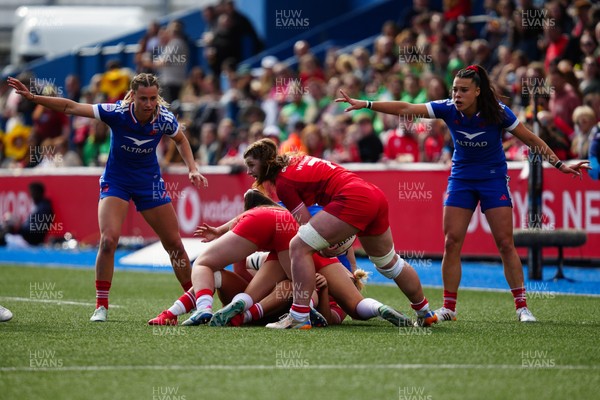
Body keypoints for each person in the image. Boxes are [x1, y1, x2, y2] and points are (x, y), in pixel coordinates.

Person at [336, 64, 590, 323]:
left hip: (493, 180)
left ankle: (522, 307)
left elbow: (531, 140)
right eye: (455, 89)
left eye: (464, 90)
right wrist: (366, 103)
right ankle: (449, 308)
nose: (457, 94)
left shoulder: (499, 113)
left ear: (478, 91)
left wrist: (560, 165)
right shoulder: (447, 108)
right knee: (451, 242)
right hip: (461, 179)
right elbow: (405, 109)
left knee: (505, 243)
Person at [7, 73, 208, 322]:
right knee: (108, 240)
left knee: (175, 245)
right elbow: (71, 107)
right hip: (117, 182)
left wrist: (193, 168)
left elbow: (181, 139)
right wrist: (33, 97)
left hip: (149, 185)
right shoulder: (116, 113)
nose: (149, 103)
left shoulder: (163, 118)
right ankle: (101, 305)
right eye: (143, 98)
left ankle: (196, 301)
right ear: (132, 96)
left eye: (153, 98)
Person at [242, 139, 437, 330]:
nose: (249, 171)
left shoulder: (284, 183)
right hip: (373, 195)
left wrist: (326, 247)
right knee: (389, 264)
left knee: (298, 246)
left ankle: (299, 317)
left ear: (266, 163)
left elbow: (305, 225)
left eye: (252, 165)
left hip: (353, 198)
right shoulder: (295, 160)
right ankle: (425, 312)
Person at [180, 189, 411, 329]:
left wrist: (222, 232)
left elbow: (251, 214)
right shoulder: (322, 215)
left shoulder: (297, 208)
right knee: (356, 306)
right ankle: (379, 308)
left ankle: (243, 310)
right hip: (324, 265)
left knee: (286, 285)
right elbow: (348, 258)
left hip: (295, 255)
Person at [0, 182, 54, 248]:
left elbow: (37, 230)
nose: (31, 194)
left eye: (34, 192)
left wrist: (18, 229)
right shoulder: (38, 207)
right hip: (25, 237)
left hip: (30, 241)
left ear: (40, 192)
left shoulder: (44, 208)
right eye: (31, 192)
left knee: (5, 236)